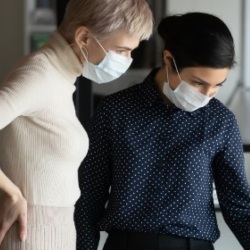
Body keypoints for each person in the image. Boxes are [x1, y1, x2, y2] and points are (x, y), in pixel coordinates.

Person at [74, 12, 250, 250]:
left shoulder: (221, 121)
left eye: (217, 86)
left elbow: (239, 206)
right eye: (198, 82)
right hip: (126, 244)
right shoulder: (115, 111)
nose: (206, 94)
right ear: (169, 60)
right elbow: (88, 199)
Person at [0, 0, 153, 249]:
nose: (128, 60)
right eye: (122, 50)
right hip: (31, 234)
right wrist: (10, 192)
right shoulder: (40, 73)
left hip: (54, 229)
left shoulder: (60, 76)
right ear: (84, 37)